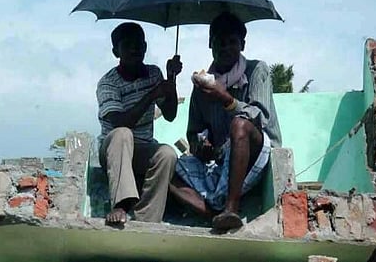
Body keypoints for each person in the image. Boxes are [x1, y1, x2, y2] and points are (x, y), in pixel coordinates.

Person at [170, 12, 281, 232]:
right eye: (220, 42)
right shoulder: (202, 84)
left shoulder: (257, 69)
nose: (226, 48)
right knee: (167, 165)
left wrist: (225, 98)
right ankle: (213, 215)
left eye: (232, 42)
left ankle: (231, 208)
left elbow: (260, 118)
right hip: (221, 161)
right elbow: (194, 132)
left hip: (256, 151)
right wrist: (200, 146)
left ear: (242, 44)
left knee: (239, 124)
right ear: (211, 45)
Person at [96, 22, 182, 226]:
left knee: (167, 153)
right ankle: (120, 204)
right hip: (114, 150)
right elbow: (122, 122)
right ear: (116, 51)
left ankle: (148, 218)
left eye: (138, 45)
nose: (134, 49)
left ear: (145, 47)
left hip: (143, 147)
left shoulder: (154, 74)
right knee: (123, 134)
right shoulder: (108, 82)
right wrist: (152, 94)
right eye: (127, 45)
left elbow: (170, 114)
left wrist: (171, 80)